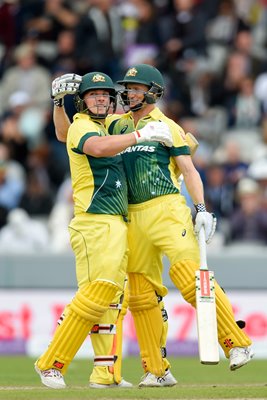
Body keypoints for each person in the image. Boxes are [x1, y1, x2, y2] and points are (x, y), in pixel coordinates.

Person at [51, 64, 254, 387]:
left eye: (135, 88)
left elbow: (188, 169)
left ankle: (236, 343)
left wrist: (200, 207)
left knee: (189, 277)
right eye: (127, 88)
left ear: (153, 92)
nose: (129, 93)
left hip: (166, 208)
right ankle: (156, 370)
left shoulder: (167, 126)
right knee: (141, 296)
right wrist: (58, 103)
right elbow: (67, 136)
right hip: (130, 215)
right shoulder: (115, 124)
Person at [34, 70, 174, 390]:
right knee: (98, 292)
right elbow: (97, 148)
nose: (100, 98)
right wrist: (140, 136)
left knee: (111, 300)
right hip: (93, 221)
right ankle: (51, 363)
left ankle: (105, 374)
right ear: (81, 101)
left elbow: (70, 134)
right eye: (93, 94)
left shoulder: (106, 124)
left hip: (116, 221)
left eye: (105, 94)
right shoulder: (83, 126)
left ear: (112, 100)